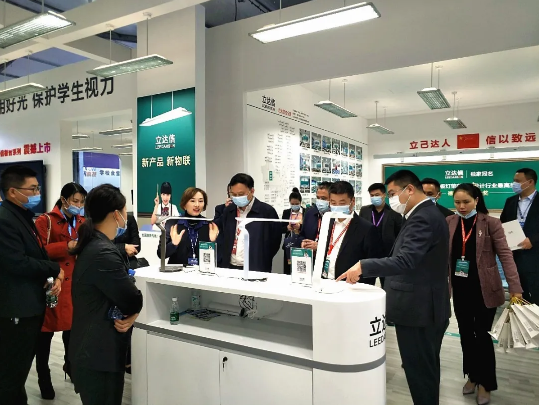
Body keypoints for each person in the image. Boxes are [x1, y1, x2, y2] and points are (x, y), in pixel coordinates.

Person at [337, 170, 451, 405]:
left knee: (420, 372)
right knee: (424, 370)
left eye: (391, 193)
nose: (390, 199)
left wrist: (363, 266)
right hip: (423, 305)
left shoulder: (422, 217)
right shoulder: (423, 213)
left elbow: (405, 260)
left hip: (419, 309)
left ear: (409, 189)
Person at [69, 184, 143, 405]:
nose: (126, 217)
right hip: (97, 354)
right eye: (125, 211)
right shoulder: (103, 252)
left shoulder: (96, 244)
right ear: (116, 214)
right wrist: (134, 311)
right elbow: (132, 299)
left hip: (94, 350)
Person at [448, 183, 522, 405]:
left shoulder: (491, 223)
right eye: (457, 202)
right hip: (459, 289)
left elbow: (506, 255)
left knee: (482, 336)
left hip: (484, 290)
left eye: (466, 202)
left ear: (476, 200)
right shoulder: (450, 222)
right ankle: (472, 376)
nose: (461, 206)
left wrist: (515, 287)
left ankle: (486, 383)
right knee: (465, 335)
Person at [0, 165, 64, 405]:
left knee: (17, 372)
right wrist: (53, 268)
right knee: (12, 373)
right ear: (13, 191)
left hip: (29, 306)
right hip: (16, 310)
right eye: (33, 189)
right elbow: (17, 263)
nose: (38, 193)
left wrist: (50, 275)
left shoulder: (23, 216)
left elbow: (36, 253)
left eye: (38, 188)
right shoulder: (5, 220)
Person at [33, 182, 87, 399]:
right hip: (52, 284)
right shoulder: (45, 221)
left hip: (75, 285)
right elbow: (37, 251)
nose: (79, 206)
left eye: (82, 202)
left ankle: (71, 366)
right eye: (75, 201)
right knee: (44, 336)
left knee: (72, 333)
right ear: (64, 200)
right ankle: (43, 379)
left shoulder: (82, 222)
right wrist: (66, 247)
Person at [322, 181, 383, 283]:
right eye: (333, 203)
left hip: (350, 285)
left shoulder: (366, 229)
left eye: (342, 203)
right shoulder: (327, 222)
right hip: (325, 281)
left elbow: (372, 265)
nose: (337, 207)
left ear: (352, 201)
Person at [218, 173, 281, 272]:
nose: (237, 197)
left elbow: (275, 241)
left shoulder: (266, 212)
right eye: (233, 194)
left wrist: (262, 259)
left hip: (256, 268)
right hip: (230, 266)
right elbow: (224, 236)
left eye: (241, 194)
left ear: (252, 191)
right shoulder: (229, 211)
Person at [500, 168, 539, 304]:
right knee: (518, 294)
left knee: (535, 295)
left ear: (530, 182)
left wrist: (533, 240)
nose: (514, 184)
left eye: (518, 181)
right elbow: (503, 223)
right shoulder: (510, 201)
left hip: (535, 255)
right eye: (514, 181)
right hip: (514, 255)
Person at [158, 187, 219, 266]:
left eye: (200, 201)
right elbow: (160, 254)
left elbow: (218, 258)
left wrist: (213, 242)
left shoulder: (209, 225)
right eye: (192, 201)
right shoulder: (173, 223)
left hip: (201, 271)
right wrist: (173, 244)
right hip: (178, 271)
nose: (197, 205)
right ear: (184, 204)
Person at [359, 182, 403, 288]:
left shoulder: (394, 212)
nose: (374, 197)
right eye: (372, 195)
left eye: (377, 195)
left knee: (386, 286)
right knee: (366, 286)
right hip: (368, 255)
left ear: (384, 195)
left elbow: (399, 235)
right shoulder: (364, 210)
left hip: (386, 256)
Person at [299, 181, 332, 252]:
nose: (320, 201)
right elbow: (302, 235)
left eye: (323, 198)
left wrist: (319, 247)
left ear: (332, 199)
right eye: (318, 198)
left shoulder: (337, 217)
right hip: (309, 255)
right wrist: (303, 242)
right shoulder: (309, 213)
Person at [282, 188, 304, 275]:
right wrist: (287, 228)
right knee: (288, 267)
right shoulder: (286, 212)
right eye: (292, 204)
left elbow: (309, 227)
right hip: (289, 244)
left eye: (297, 204)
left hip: (302, 244)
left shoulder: (306, 212)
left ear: (300, 202)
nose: (294, 206)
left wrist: (300, 227)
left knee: (301, 268)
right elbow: (281, 228)